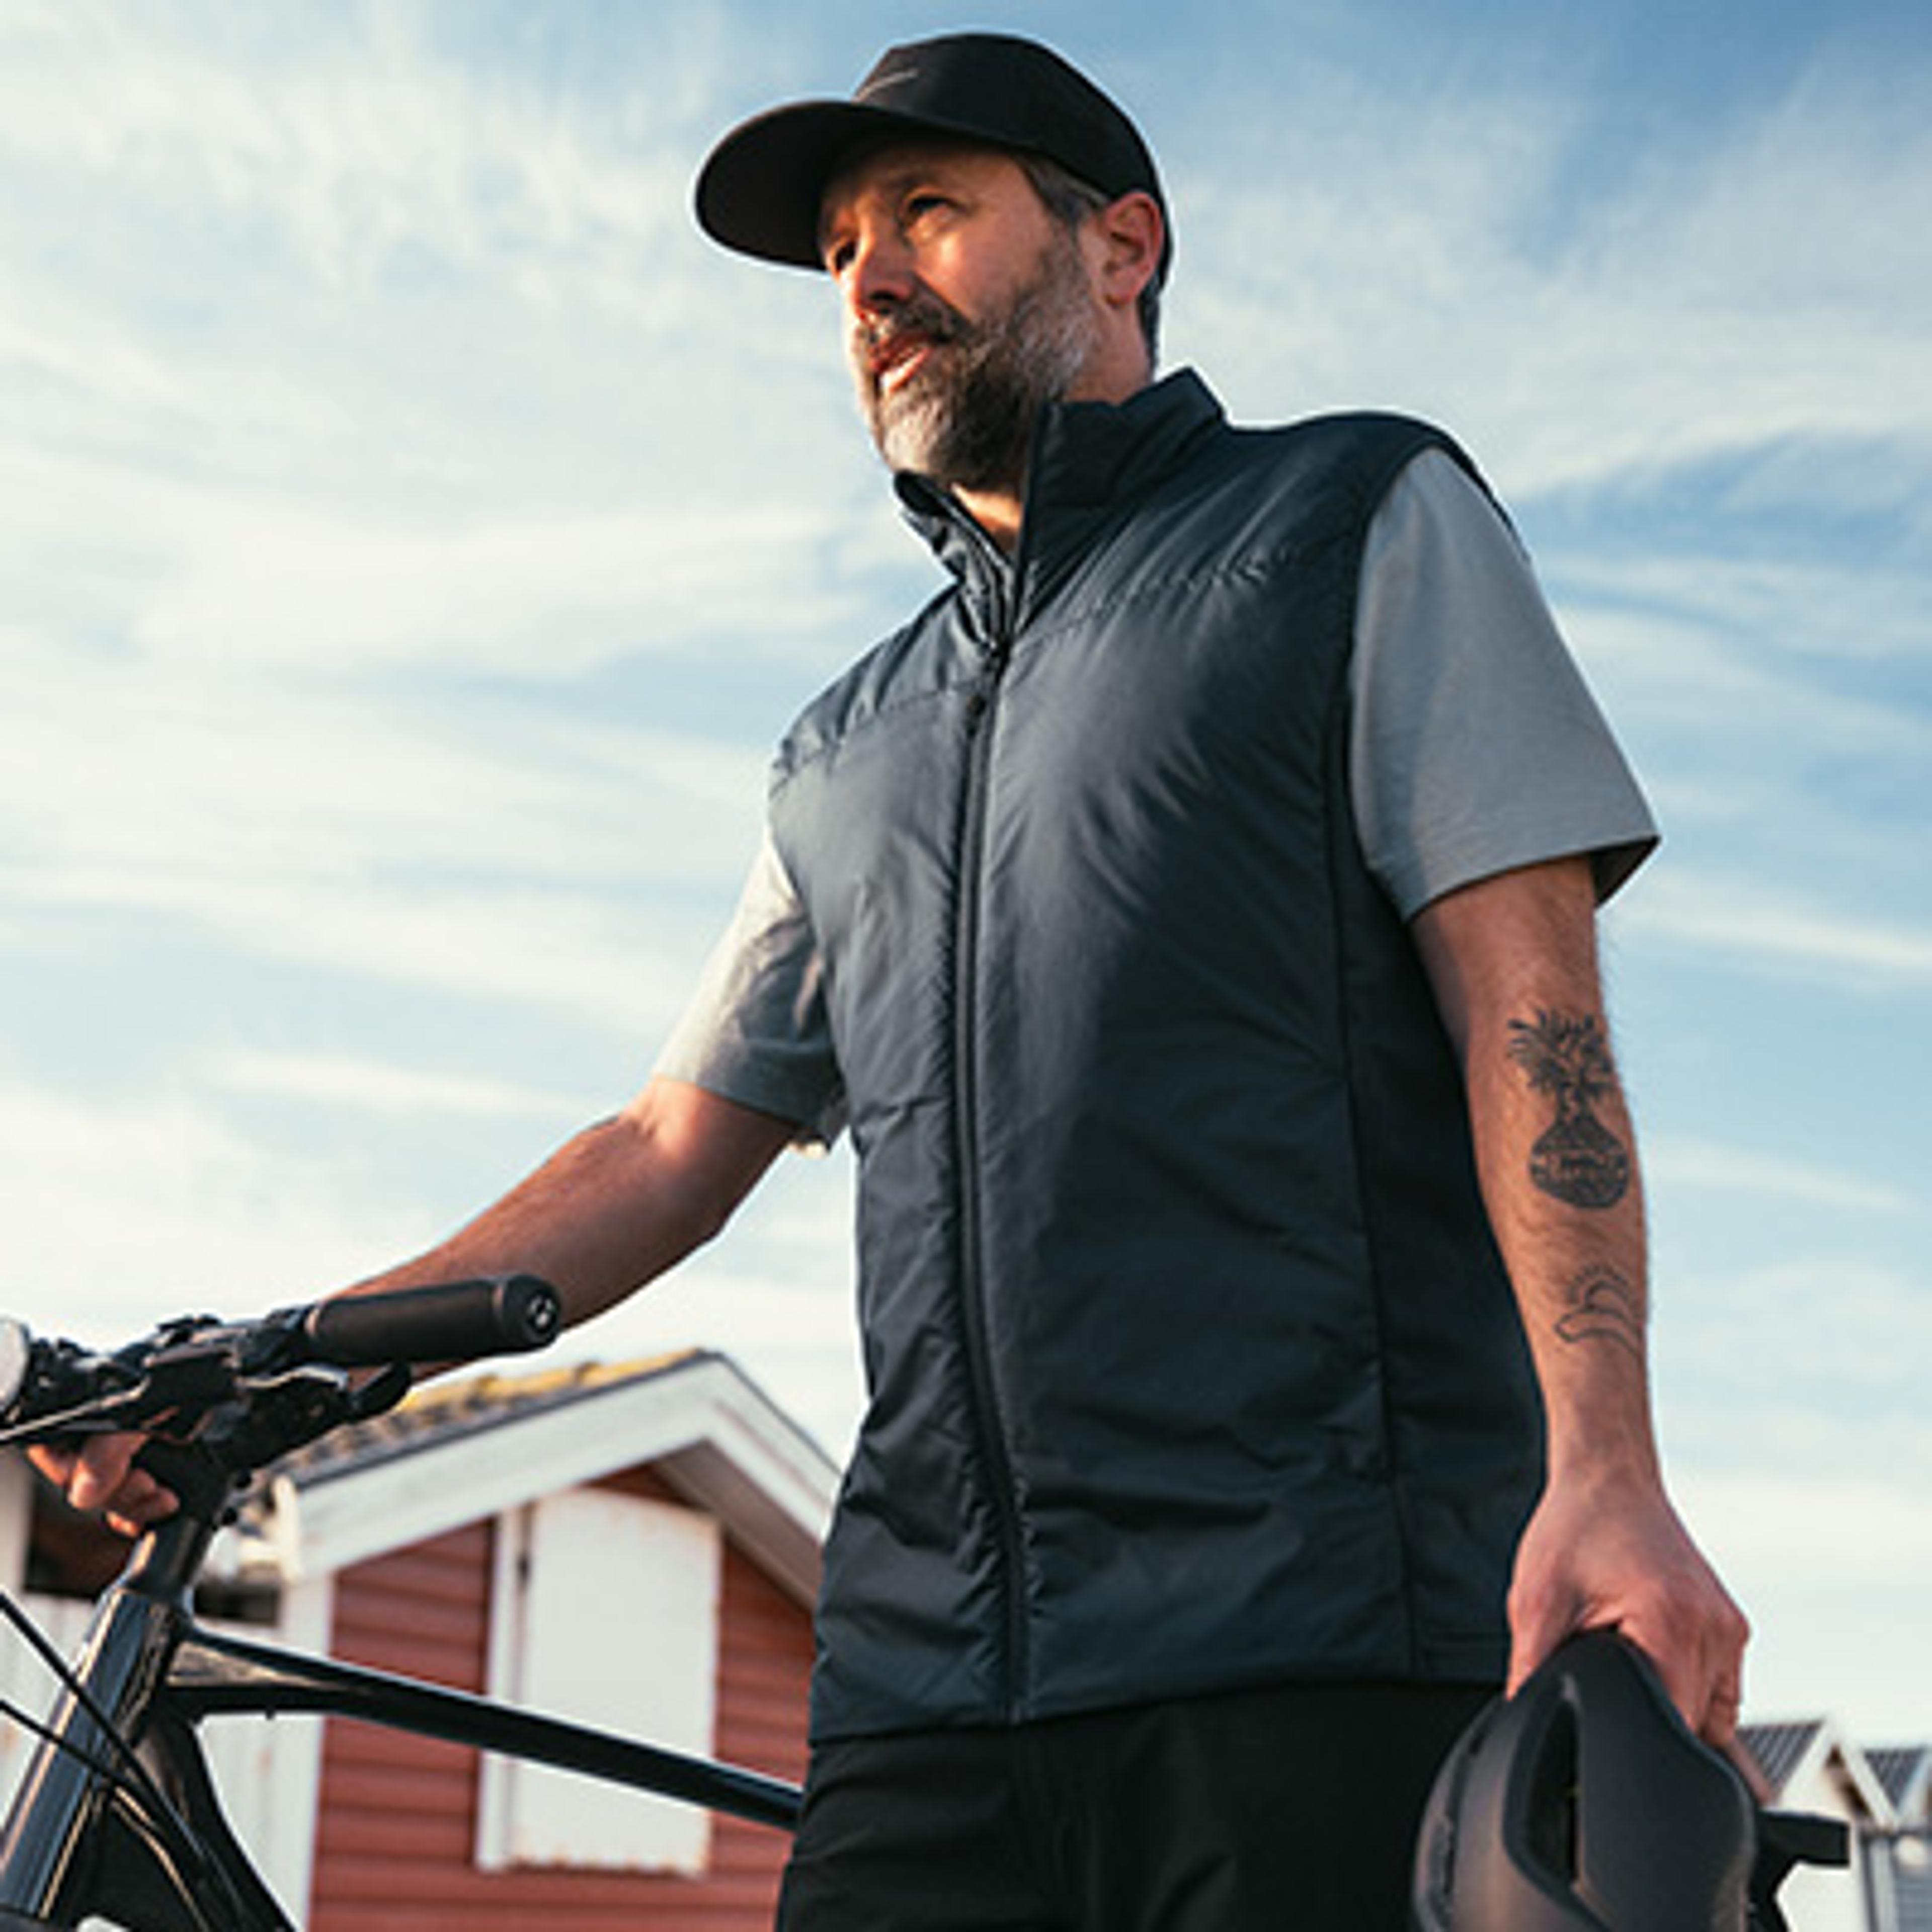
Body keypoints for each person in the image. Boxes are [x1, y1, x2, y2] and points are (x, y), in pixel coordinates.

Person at [45, 31, 1748, 1931]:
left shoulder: (1352, 523)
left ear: (1122, 246)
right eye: (842, 246)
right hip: (920, 1710)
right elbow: (665, 1145)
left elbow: (1542, 1022)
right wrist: (294, 1357)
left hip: (1315, 1655)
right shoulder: (843, 745)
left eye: (926, 211)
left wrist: (1610, 1466)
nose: (864, 281)